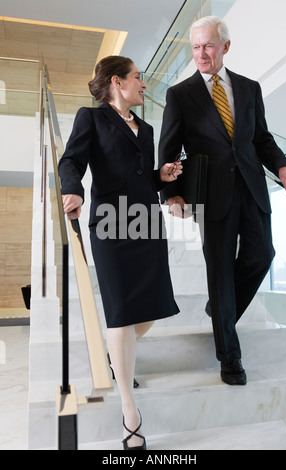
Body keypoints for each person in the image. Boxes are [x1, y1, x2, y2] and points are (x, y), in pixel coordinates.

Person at [158, 16, 286, 387]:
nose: (201, 54)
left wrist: (284, 168)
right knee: (219, 271)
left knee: (262, 254)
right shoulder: (180, 94)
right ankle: (229, 356)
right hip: (211, 194)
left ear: (225, 47)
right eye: (195, 47)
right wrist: (170, 192)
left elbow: (262, 139)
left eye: (208, 46)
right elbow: (168, 148)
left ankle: (221, 309)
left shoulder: (249, 88)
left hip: (252, 187)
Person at [58, 55, 182, 450]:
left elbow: (142, 174)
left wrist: (160, 177)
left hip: (145, 223)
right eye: (137, 78)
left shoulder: (145, 128)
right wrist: (72, 188)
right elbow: (71, 159)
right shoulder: (91, 118)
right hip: (110, 227)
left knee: (152, 310)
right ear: (117, 82)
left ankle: (117, 359)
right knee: (121, 311)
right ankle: (129, 409)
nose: (144, 85)